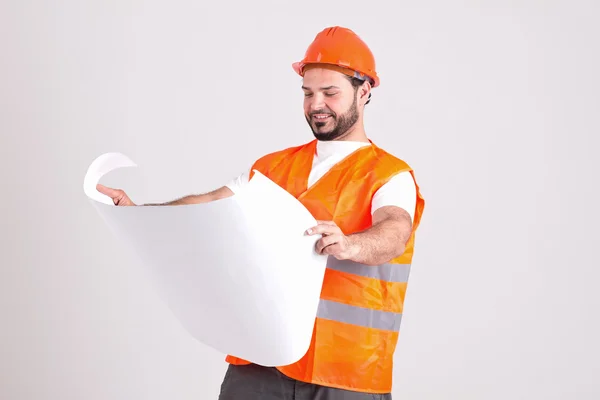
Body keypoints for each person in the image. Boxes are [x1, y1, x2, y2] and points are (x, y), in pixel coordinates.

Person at [98, 26, 425, 400]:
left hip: (346, 374)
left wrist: (350, 244)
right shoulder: (271, 168)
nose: (316, 104)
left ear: (364, 91)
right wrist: (141, 212)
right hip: (260, 363)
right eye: (307, 93)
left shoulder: (389, 174)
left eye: (330, 93)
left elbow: (395, 230)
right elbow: (209, 202)